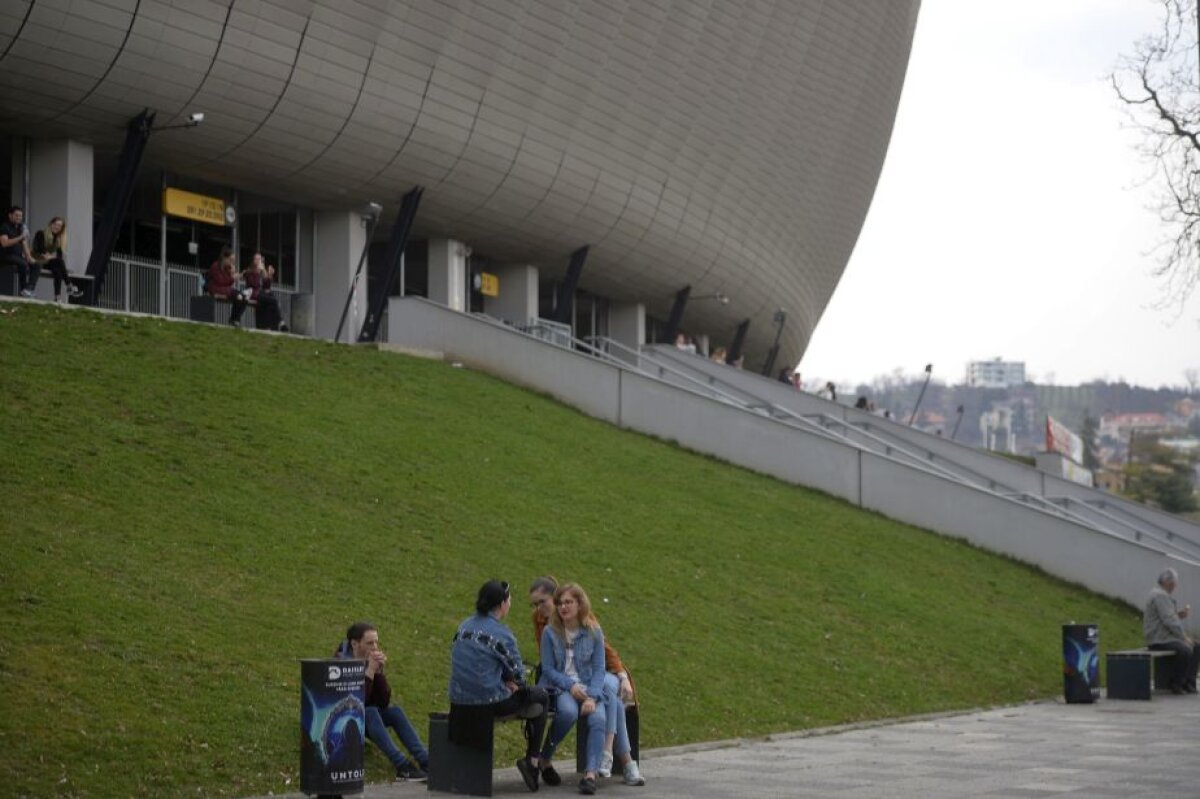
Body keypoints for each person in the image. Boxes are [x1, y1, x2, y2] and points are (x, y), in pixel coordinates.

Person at [529, 578, 643, 787]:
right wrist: (570, 686)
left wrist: (597, 691)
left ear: (579, 604)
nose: (562, 607)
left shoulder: (592, 629)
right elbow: (548, 666)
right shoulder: (547, 628)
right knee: (571, 711)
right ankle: (547, 758)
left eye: (567, 603)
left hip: (592, 679)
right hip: (562, 684)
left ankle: (593, 772)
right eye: (560, 603)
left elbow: (602, 663)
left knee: (601, 710)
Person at [450, 580, 550, 793]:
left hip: (458, 701)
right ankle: (532, 761)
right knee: (541, 696)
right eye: (510, 599)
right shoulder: (502, 634)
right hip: (489, 702)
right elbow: (519, 676)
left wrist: (504, 678)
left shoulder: (464, 626)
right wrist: (512, 683)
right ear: (503, 603)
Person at [334, 622, 429, 780]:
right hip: (343, 722)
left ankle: (426, 760)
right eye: (369, 643)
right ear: (354, 643)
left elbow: (383, 702)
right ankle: (402, 767)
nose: (375, 647)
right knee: (370, 712)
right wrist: (370, 671)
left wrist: (378, 673)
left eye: (376, 642)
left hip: (367, 718)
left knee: (395, 712)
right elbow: (354, 704)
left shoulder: (370, 660)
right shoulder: (341, 664)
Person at [1143, 567, 1200, 694]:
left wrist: (1178, 614)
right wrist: (1183, 637)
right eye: (1174, 584)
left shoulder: (1159, 594)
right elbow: (1169, 621)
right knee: (1185, 649)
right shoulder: (1160, 596)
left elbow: (1166, 616)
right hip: (1158, 639)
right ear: (1169, 583)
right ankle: (1177, 683)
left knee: (1195, 646)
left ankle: (1189, 682)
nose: (1174, 587)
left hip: (1164, 636)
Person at [31, 217, 82, 302]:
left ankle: (57, 297)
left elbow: (59, 256)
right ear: (51, 224)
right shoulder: (41, 233)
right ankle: (69, 286)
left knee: (58, 270)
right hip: (37, 260)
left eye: (60, 226)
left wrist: (51, 257)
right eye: (55, 224)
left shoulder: (57, 239)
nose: (57, 227)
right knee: (59, 262)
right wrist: (51, 256)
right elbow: (42, 251)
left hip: (47, 262)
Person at [205, 246, 247, 327]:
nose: (231, 263)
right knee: (238, 296)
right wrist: (232, 277)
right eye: (230, 260)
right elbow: (220, 281)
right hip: (215, 288)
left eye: (233, 261)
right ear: (224, 258)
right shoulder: (216, 266)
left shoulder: (228, 268)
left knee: (245, 297)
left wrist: (233, 276)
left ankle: (235, 319)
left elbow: (227, 284)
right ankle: (233, 320)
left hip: (225, 289)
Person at [244, 253, 287, 331]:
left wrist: (268, 274)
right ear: (253, 261)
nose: (258, 261)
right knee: (273, 300)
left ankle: (271, 327)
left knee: (271, 301)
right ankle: (281, 322)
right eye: (256, 259)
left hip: (262, 295)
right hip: (254, 293)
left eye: (259, 259)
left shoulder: (262, 271)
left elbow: (267, 286)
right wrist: (258, 273)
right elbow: (253, 284)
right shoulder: (249, 272)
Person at [1, 205, 35, 297]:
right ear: (10, 215)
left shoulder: (20, 227)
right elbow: (4, 243)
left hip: (18, 256)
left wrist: (28, 256)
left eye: (20, 216)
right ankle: (23, 289)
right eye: (16, 215)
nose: (19, 218)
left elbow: (24, 243)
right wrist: (21, 237)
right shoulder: (5, 227)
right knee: (23, 264)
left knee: (35, 264)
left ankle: (29, 288)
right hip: (6, 255)